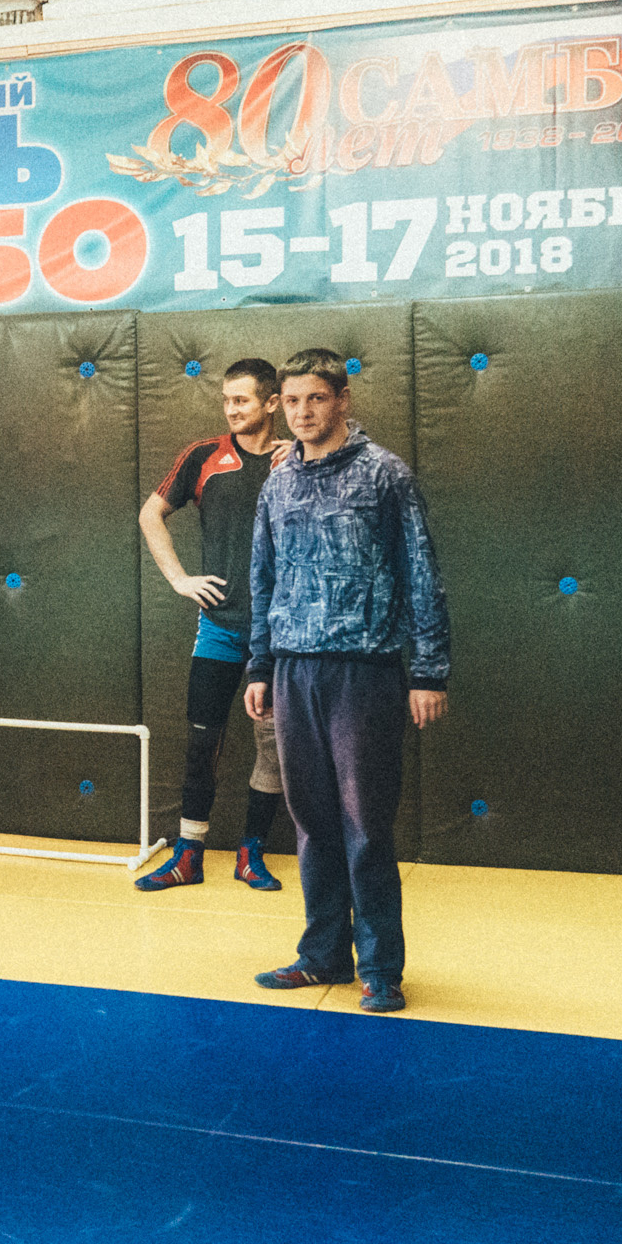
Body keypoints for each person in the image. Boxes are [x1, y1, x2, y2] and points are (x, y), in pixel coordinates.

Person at [243, 349, 451, 1013]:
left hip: (365, 671)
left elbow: (421, 572)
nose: (303, 412)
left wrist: (428, 670)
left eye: (316, 398)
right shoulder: (276, 484)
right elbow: (263, 578)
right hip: (293, 669)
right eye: (292, 401)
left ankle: (380, 969)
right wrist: (260, 664)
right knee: (311, 823)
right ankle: (322, 955)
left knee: (366, 825)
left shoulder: (385, 474)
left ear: (342, 399)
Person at [135, 356, 291, 892]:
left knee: (272, 745)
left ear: (272, 403)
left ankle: (251, 853)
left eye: (241, 400)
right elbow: (150, 514)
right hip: (219, 628)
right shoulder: (204, 456)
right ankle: (188, 855)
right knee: (203, 743)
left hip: (279, 635)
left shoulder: (296, 459)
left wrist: (304, 461)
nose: (231, 409)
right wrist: (179, 579)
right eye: (226, 400)